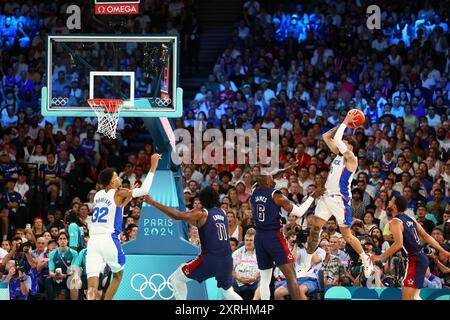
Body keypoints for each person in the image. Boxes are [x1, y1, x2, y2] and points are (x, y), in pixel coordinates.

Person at [303, 114, 374, 278]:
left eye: (343, 144)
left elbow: (338, 139)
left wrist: (345, 123)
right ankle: (306, 263)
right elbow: (326, 136)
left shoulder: (351, 159)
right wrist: (343, 124)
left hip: (340, 200)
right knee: (315, 229)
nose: (338, 144)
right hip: (326, 197)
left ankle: (365, 258)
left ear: (349, 147)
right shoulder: (338, 155)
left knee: (347, 236)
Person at [143, 187, 243, 300]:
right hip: (226, 260)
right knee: (227, 291)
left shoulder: (202, 215)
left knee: (176, 279)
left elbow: (177, 215)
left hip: (210, 260)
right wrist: (185, 215)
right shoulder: (222, 212)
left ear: (202, 200)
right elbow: (197, 219)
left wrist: (152, 202)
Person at [86, 153, 161, 300]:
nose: (119, 178)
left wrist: (129, 195)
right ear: (112, 182)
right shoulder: (118, 192)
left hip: (93, 242)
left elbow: (117, 207)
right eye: (116, 177)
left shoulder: (98, 195)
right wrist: (153, 166)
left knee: (92, 287)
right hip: (109, 239)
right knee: (119, 274)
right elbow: (144, 190)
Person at [250, 163, 324, 300]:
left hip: (259, 237)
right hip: (273, 237)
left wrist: (285, 170)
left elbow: (269, 176)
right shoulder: (276, 196)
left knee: (265, 278)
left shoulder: (254, 190)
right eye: (271, 178)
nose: (274, 178)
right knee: (291, 275)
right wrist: (312, 197)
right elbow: (300, 212)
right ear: (268, 181)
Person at [370, 196, 450, 300]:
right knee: (415, 297)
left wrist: (380, 257)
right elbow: (426, 236)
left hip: (413, 260)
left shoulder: (395, 222)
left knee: (407, 298)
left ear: (394, 206)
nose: (389, 201)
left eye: (391, 201)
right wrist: (443, 251)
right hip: (421, 258)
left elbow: (398, 244)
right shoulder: (410, 219)